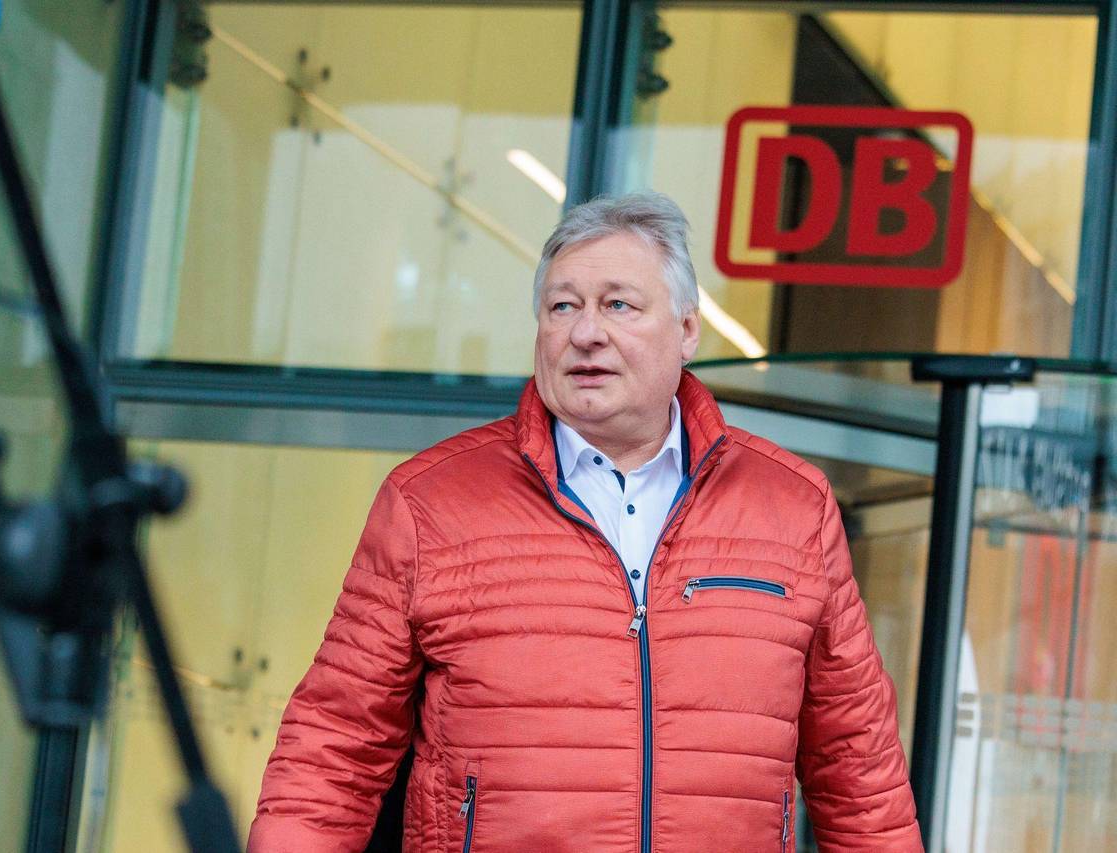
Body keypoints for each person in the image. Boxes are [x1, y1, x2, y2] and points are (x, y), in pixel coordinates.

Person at [248, 192, 922, 852]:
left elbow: (858, 768)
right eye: (562, 306)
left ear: (687, 330)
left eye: (618, 304)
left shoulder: (794, 507)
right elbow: (333, 748)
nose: (585, 332)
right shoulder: (431, 502)